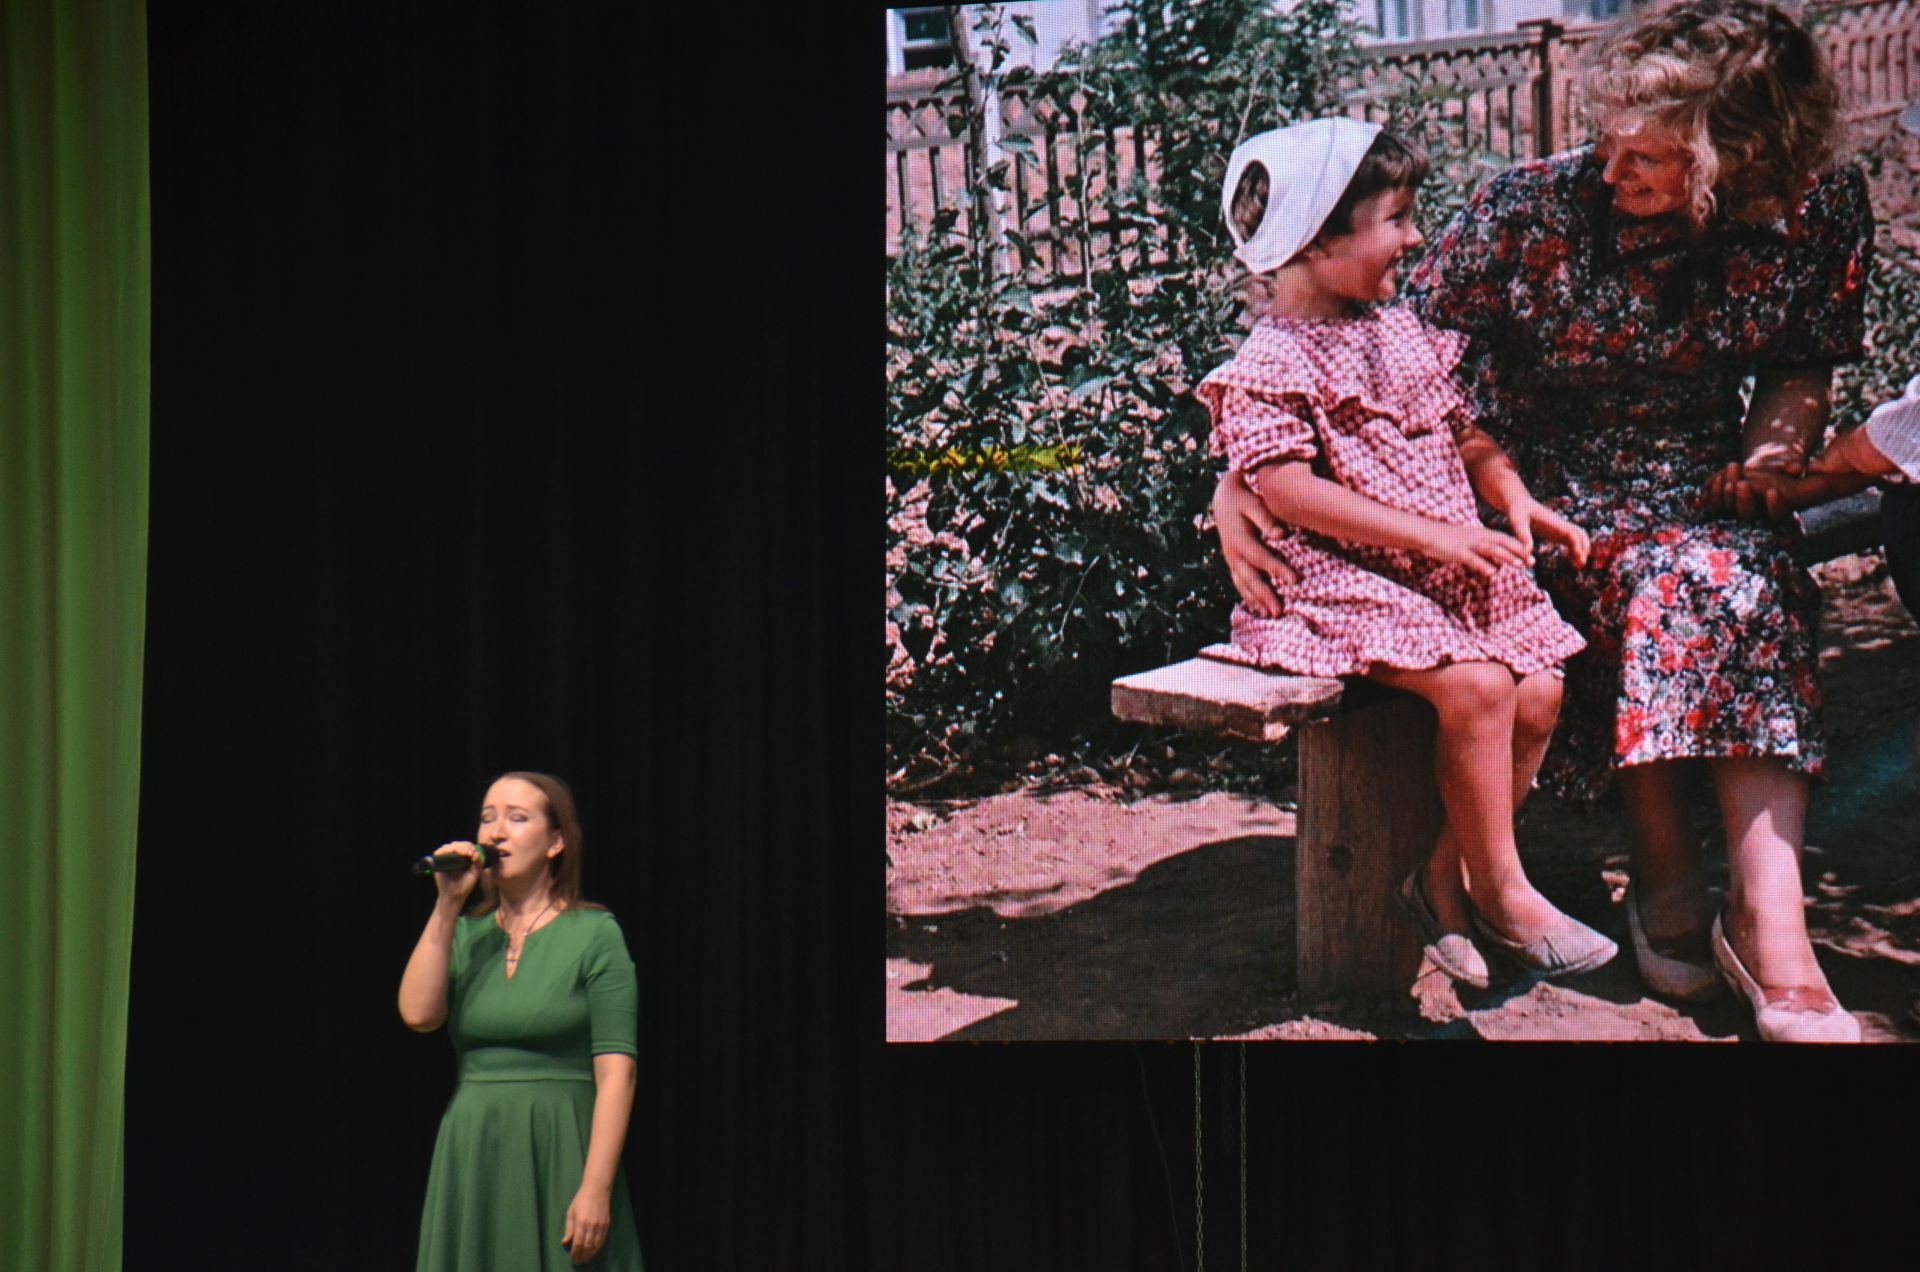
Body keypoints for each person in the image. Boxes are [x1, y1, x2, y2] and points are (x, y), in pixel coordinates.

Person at [1212, 1, 1872, 1041]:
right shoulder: (1534, 210)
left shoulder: (1814, 209)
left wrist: (1771, 451)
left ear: (1735, 164)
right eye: (1606, 146)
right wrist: (1238, 478)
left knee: (1739, 564)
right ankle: (1669, 881)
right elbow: (1347, 328)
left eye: (1646, 162)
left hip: (1687, 472)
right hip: (1540, 471)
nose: (1609, 177)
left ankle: (1764, 917)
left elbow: (1803, 355)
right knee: (1667, 574)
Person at [1197, 117, 1612, 990]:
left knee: (1538, 685)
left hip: (1429, 571)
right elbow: (1286, 489)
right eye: (1396, 218)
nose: (1415, 236)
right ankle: (1500, 889)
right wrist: (1437, 536)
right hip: (1335, 581)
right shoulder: (1272, 358)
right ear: (1315, 243)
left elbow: (1464, 436)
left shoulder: (1398, 329)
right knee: (1475, 683)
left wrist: (1512, 498)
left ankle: (1438, 880)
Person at [399, 772, 644, 1269]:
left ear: (555, 842)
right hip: (475, 1146)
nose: (495, 832)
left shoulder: (595, 934)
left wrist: (595, 1187)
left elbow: (618, 1073)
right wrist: (447, 905)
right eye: (487, 818)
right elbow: (419, 1014)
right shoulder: (466, 935)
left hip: (560, 1149)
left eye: (517, 817)